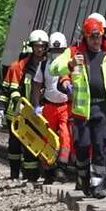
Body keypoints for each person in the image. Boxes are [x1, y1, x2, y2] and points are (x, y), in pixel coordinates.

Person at [50, 15, 106, 198]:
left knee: (100, 146)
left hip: (103, 110)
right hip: (82, 111)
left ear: (103, 35)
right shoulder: (74, 52)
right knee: (82, 145)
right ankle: (83, 176)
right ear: (85, 37)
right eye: (92, 37)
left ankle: (97, 185)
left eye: (98, 36)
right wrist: (71, 64)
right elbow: (53, 68)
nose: (96, 41)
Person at [0, 30, 50, 181]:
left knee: (32, 144)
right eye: (36, 46)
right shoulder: (19, 66)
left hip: (37, 112)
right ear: (32, 47)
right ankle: (14, 174)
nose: (39, 49)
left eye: (42, 46)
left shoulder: (49, 66)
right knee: (15, 145)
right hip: (17, 113)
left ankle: (31, 176)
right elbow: (12, 90)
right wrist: (4, 106)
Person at [32, 31, 73, 184]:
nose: (57, 53)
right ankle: (48, 169)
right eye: (54, 50)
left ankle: (61, 167)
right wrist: (36, 105)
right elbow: (36, 85)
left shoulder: (69, 66)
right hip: (49, 106)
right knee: (46, 138)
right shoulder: (44, 66)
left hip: (64, 107)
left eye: (60, 50)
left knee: (65, 136)